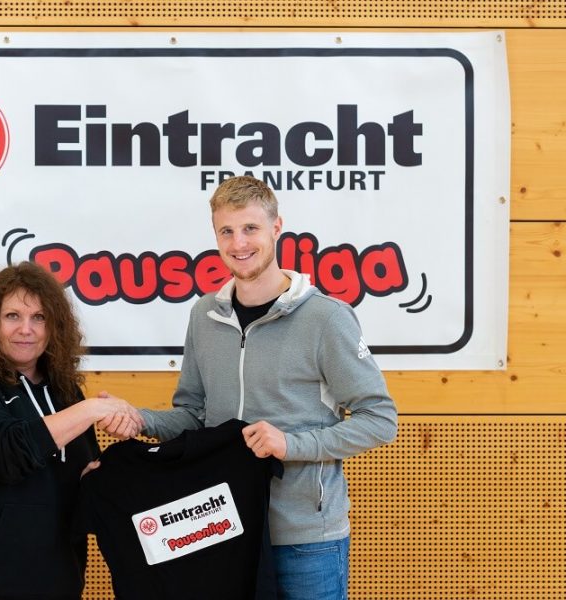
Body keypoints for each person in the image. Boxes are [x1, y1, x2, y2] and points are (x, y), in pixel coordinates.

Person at [109, 175, 398, 600]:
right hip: (227, 532)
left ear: (276, 227)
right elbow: (194, 416)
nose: (239, 243)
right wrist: (139, 420)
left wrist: (291, 445)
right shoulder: (205, 316)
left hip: (304, 539)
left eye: (250, 228)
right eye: (226, 231)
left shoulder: (326, 318)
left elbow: (380, 421)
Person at [0, 261, 143, 600]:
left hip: (52, 586)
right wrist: (93, 409)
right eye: (12, 316)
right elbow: (5, 454)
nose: (26, 329)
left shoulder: (65, 392)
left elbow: (78, 481)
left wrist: (104, 476)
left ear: (54, 327)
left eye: (39, 317)